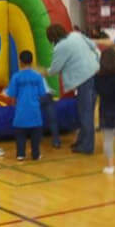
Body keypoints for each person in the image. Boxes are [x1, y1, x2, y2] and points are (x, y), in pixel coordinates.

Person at [43, 24, 99, 154]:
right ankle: (82, 141)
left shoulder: (60, 47)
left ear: (51, 38)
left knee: (85, 114)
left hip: (84, 80)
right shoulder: (76, 35)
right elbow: (93, 46)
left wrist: (43, 72)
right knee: (87, 112)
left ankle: (87, 146)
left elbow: (54, 69)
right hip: (95, 74)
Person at [6, 51, 47, 161]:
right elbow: (42, 93)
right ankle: (36, 154)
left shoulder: (16, 77)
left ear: (20, 62)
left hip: (21, 111)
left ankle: (20, 154)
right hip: (34, 111)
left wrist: (13, 104)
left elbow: (12, 95)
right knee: (35, 136)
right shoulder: (37, 76)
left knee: (20, 135)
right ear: (32, 61)